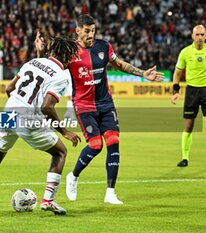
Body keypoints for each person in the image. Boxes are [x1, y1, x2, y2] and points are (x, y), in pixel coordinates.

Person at [35, 14, 164, 204]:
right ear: (78, 31)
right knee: (96, 145)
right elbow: (48, 67)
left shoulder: (104, 46)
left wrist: (142, 73)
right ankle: (74, 176)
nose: (91, 34)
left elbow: (120, 64)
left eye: (93, 30)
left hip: (106, 103)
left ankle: (110, 192)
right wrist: (39, 53)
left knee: (114, 141)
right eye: (87, 31)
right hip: (84, 105)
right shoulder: (69, 51)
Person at [0, 36, 81, 216]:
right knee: (60, 152)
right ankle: (48, 200)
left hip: (10, 112)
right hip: (28, 118)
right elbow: (46, 107)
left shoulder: (33, 62)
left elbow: (9, 89)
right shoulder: (61, 76)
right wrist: (64, 131)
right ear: (66, 56)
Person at [171, 25, 206, 167]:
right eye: (197, 34)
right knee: (189, 125)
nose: (199, 37)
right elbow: (177, 73)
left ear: (205, 36)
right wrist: (175, 90)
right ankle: (185, 158)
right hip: (192, 92)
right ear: (192, 36)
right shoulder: (185, 52)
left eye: (202, 34)